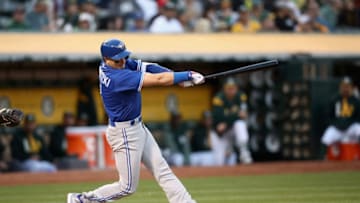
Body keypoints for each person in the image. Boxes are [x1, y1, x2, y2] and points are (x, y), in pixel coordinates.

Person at [67, 38, 203, 203]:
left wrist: (178, 78)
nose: (123, 61)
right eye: (118, 59)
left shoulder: (117, 64)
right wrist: (187, 75)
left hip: (137, 127)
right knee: (127, 187)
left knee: (162, 170)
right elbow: (158, 80)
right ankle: (83, 200)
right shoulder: (117, 77)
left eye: (124, 56)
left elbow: (150, 67)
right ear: (106, 59)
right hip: (125, 133)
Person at [211, 77, 253, 165]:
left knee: (240, 124)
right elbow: (219, 119)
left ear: (236, 88)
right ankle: (229, 149)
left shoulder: (240, 96)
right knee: (219, 161)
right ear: (224, 88)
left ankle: (244, 152)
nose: (231, 90)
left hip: (231, 128)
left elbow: (243, 115)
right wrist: (235, 115)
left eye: (233, 88)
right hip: (219, 134)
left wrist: (227, 120)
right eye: (228, 88)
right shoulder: (218, 98)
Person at [321, 77, 360, 154]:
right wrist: (336, 124)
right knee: (326, 137)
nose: (345, 89)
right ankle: (322, 159)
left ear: (351, 88)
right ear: (340, 87)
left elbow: (358, 117)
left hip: (350, 127)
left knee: (359, 129)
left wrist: (349, 124)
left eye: (348, 86)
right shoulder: (334, 99)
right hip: (337, 128)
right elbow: (328, 116)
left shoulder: (356, 101)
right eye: (344, 86)